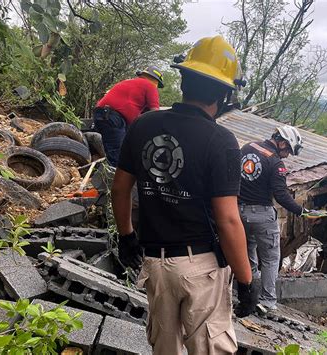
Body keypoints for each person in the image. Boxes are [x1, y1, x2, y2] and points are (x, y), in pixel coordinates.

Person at [111, 36, 256, 354]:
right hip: (200, 268)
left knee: (165, 349)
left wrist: (127, 237)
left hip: (156, 265)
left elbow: (121, 188)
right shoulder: (221, 141)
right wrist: (246, 282)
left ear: (184, 78)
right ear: (224, 92)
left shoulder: (144, 125)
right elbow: (229, 219)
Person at [238, 125, 305, 314]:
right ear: (281, 142)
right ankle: (267, 301)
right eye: (288, 150)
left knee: (248, 253)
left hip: (239, 212)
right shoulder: (276, 163)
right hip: (262, 216)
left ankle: (250, 293)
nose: (288, 155)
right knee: (270, 258)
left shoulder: (247, 148)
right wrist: (302, 211)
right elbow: (281, 196)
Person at [93, 66, 164, 167]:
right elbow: (154, 113)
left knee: (117, 150)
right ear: (156, 81)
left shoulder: (130, 83)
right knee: (118, 156)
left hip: (102, 114)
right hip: (113, 117)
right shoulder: (150, 86)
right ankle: (112, 181)